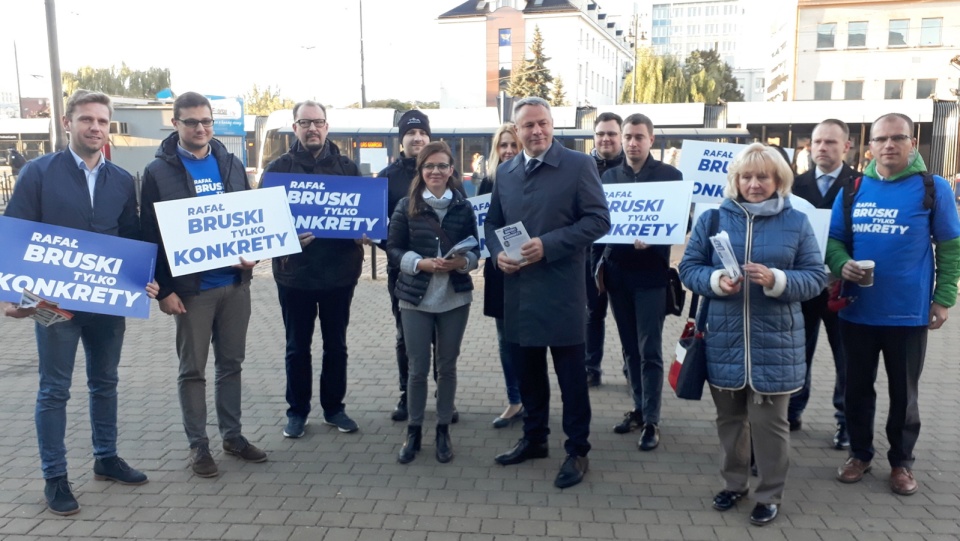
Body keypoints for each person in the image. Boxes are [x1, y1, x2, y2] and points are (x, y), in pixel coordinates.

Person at [3, 90, 153, 516]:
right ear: (68, 123)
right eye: (87, 119)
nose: (95, 128)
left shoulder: (122, 179)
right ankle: (55, 477)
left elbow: (130, 237)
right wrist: (13, 298)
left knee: (105, 382)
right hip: (53, 305)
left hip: (106, 303)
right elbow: (15, 234)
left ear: (109, 128)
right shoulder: (38, 173)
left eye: (102, 121)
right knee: (54, 390)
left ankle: (106, 458)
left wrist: (143, 280)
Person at [679, 142, 825, 526]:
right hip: (723, 339)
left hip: (775, 342)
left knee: (770, 426)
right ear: (735, 180)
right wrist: (714, 280)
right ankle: (734, 484)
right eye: (747, 176)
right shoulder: (713, 218)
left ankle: (769, 494)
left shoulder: (796, 221)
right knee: (729, 421)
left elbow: (815, 278)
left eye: (763, 176)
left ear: (779, 180)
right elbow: (688, 268)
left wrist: (777, 279)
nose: (755, 184)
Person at [829, 113, 960, 496]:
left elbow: (950, 248)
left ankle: (901, 463)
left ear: (912, 143)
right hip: (857, 309)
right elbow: (833, 240)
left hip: (908, 313)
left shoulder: (932, 188)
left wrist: (944, 298)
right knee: (856, 389)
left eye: (897, 138)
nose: (889, 145)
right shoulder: (853, 188)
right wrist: (841, 263)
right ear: (869, 146)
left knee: (904, 394)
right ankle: (860, 454)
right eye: (881, 139)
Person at [485, 97, 610, 489]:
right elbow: (492, 223)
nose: (536, 131)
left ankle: (577, 450)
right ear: (516, 130)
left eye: (542, 124)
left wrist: (549, 244)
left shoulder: (578, 165)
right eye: (528, 126)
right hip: (519, 290)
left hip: (563, 291)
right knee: (529, 374)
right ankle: (535, 439)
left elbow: (599, 220)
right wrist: (496, 254)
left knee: (572, 378)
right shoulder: (505, 172)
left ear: (553, 125)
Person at [140, 92, 266, 479]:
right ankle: (199, 445)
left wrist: (254, 254)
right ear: (175, 123)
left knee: (232, 364)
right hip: (191, 291)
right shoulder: (158, 171)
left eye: (207, 121)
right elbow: (150, 234)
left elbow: (248, 220)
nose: (201, 128)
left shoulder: (230, 163)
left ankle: (233, 435)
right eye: (192, 122)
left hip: (234, 284)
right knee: (192, 369)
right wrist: (163, 290)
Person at [263, 100, 365, 438]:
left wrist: (365, 231)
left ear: (327, 126)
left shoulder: (348, 168)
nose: (312, 128)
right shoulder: (278, 169)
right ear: (294, 128)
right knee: (297, 347)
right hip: (295, 276)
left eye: (318, 122)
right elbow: (264, 226)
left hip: (340, 275)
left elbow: (364, 215)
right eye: (305, 123)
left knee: (336, 346)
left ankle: (334, 409)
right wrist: (287, 238)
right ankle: (297, 411)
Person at [386, 141, 479, 464]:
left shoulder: (463, 207)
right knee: (417, 369)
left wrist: (462, 263)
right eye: (429, 166)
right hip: (415, 297)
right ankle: (413, 431)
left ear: (451, 170)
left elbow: (476, 251)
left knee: (447, 366)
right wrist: (419, 263)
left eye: (442, 166)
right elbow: (393, 249)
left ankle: (442, 430)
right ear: (421, 171)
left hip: (454, 298)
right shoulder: (405, 206)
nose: (436, 172)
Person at [600, 113, 683, 451]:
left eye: (639, 137)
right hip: (618, 273)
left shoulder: (669, 176)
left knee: (650, 349)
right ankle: (638, 406)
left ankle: (652, 420)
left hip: (651, 274)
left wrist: (655, 237)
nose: (633, 143)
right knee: (629, 348)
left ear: (651, 140)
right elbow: (599, 219)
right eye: (628, 137)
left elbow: (679, 220)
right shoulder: (609, 177)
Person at [378, 110, 462, 423]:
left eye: (422, 133)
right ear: (401, 138)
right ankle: (406, 394)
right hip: (404, 274)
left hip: (443, 274)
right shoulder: (388, 176)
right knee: (405, 338)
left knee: (442, 339)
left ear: (429, 136)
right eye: (410, 133)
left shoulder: (448, 174)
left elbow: (463, 221)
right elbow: (379, 227)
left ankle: (444, 399)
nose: (417, 138)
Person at [788, 119, 858, 448]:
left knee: (845, 357)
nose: (822, 148)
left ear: (847, 146)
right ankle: (792, 410)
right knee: (797, 352)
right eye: (816, 142)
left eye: (831, 142)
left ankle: (845, 422)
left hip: (841, 289)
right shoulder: (793, 184)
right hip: (802, 288)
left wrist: (840, 270)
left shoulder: (860, 185)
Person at [477, 123, 524, 428]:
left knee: (529, 341)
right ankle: (514, 400)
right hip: (499, 270)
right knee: (505, 340)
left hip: (532, 270)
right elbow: (483, 227)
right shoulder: (487, 183)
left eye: (513, 145)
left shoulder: (534, 181)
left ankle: (533, 399)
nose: (508, 150)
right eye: (503, 145)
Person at [584, 112, 625, 387]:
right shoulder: (582, 166)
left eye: (611, 133)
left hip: (625, 254)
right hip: (590, 252)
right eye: (600, 134)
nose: (605, 138)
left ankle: (630, 369)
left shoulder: (634, 168)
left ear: (620, 136)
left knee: (626, 318)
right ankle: (590, 368)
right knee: (591, 314)